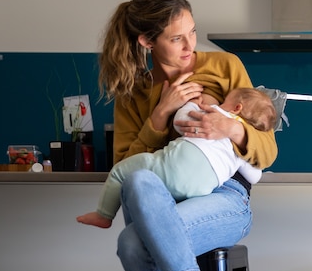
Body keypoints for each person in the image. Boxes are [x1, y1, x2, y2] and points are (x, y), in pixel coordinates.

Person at [95, 0, 277, 271]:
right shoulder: (134, 92)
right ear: (146, 41)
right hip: (164, 202)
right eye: (176, 38)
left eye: (192, 32)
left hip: (226, 200)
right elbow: (125, 166)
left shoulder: (224, 66)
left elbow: (268, 151)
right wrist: (159, 115)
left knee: (131, 241)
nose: (189, 45)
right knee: (139, 183)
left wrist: (232, 127)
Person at [76, 87, 277, 229]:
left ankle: (104, 214)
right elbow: (254, 176)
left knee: (121, 171)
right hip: (203, 190)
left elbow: (181, 122)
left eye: (226, 100)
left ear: (237, 108)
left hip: (170, 169)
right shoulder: (241, 146)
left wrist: (191, 104)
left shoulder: (214, 112)